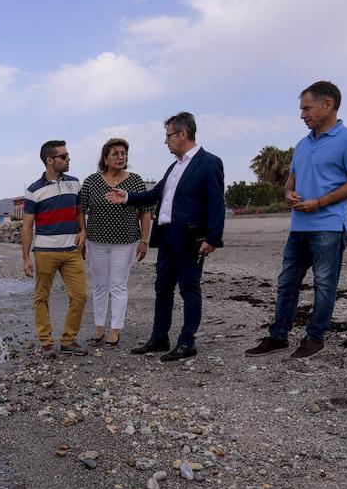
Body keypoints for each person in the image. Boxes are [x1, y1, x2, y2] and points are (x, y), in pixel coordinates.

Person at [246, 80, 347, 360]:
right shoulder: (302, 145)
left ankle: (315, 338)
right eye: (301, 109)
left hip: (329, 226)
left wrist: (321, 202)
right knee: (287, 283)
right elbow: (291, 181)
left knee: (324, 285)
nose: (302, 115)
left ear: (328, 104)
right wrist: (289, 193)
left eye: (307, 108)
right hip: (299, 227)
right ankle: (278, 336)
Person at [105, 112, 224, 362]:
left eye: (168, 135)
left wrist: (213, 238)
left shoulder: (209, 162)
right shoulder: (175, 166)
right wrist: (126, 197)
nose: (165, 141)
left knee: (189, 289)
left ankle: (187, 342)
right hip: (167, 236)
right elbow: (155, 194)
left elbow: (216, 203)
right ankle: (160, 338)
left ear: (182, 134)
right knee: (162, 288)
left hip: (190, 238)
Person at [78, 138, 153, 348]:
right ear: (105, 158)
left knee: (118, 285)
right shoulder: (92, 181)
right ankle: (99, 327)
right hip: (96, 241)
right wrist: (82, 234)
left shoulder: (135, 180)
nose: (121, 157)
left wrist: (145, 240)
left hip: (125, 241)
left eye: (123, 153)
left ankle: (115, 329)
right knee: (100, 286)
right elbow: (80, 209)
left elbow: (145, 212)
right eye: (115, 154)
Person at [21, 140, 88, 357]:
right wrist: (26, 258)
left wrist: (83, 232)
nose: (69, 160)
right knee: (42, 297)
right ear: (50, 160)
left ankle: (68, 340)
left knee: (80, 296)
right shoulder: (33, 191)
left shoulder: (75, 183)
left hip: (72, 250)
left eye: (68, 156)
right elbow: (28, 226)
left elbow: (79, 211)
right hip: (45, 252)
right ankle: (47, 343)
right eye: (64, 157)